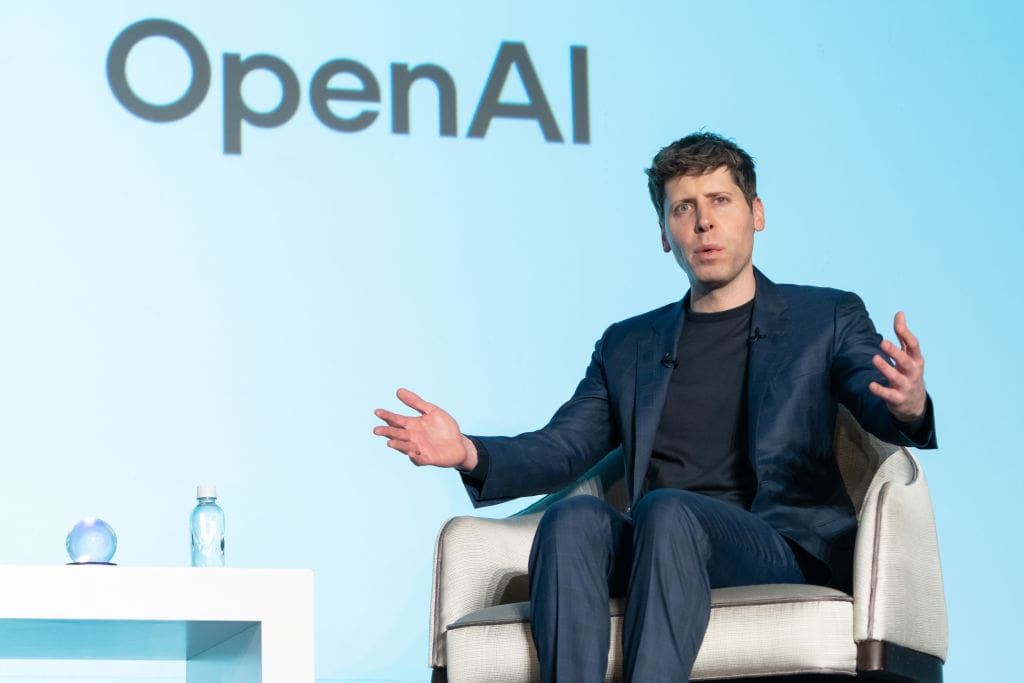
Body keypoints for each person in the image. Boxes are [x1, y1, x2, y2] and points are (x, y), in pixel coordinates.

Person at [373, 132, 936, 682]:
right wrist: (469, 451)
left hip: (772, 544)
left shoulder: (826, 316)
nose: (704, 222)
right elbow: (565, 445)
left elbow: (875, 393)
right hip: (655, 540)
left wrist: (909, 405)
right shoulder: (629, 344)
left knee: (668, 509)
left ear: (756, 213)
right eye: (683, 209)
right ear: (666, 234)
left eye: (720, 201)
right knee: (572, 519)